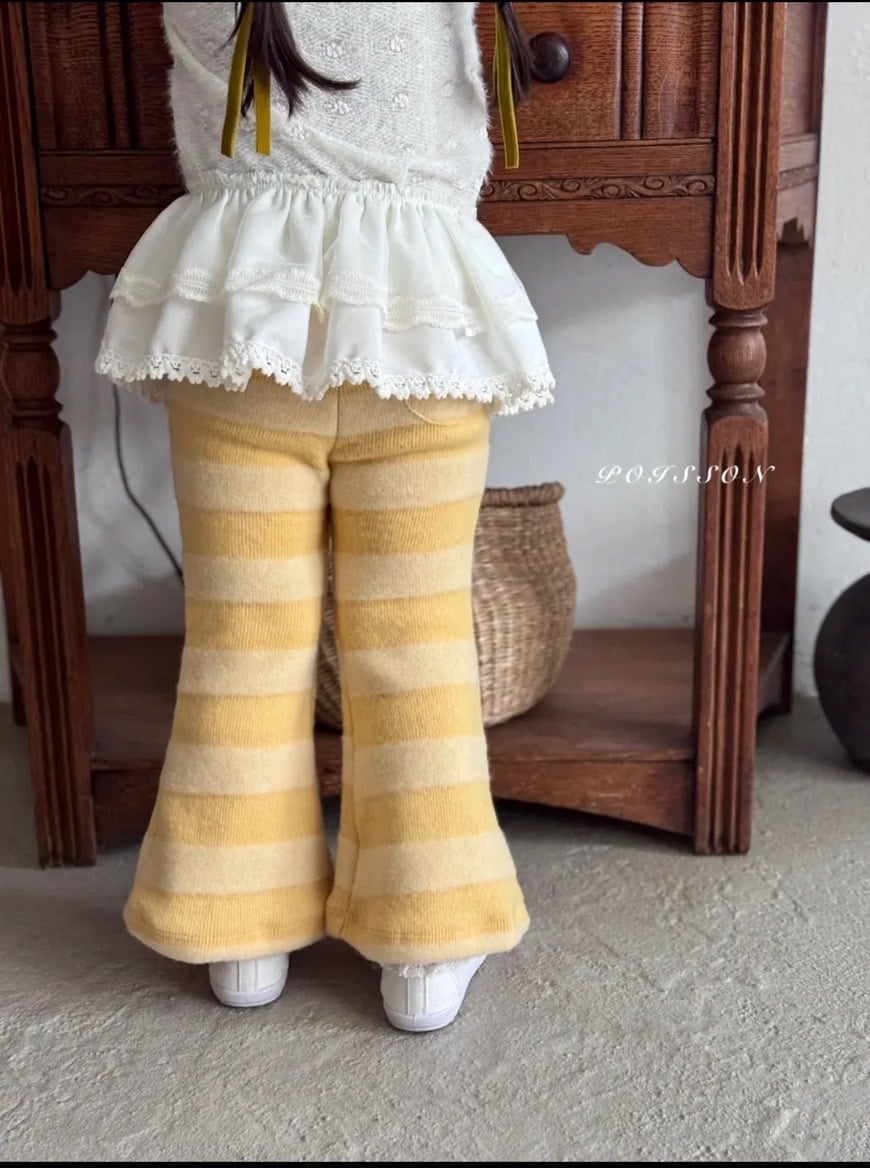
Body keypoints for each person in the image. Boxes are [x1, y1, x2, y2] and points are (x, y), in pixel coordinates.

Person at [96, 0, 554, 1032]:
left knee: (241, 640)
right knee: (418, 644)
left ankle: (238, 927)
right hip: (419, 324)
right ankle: (427, 939)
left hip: (243, 321)